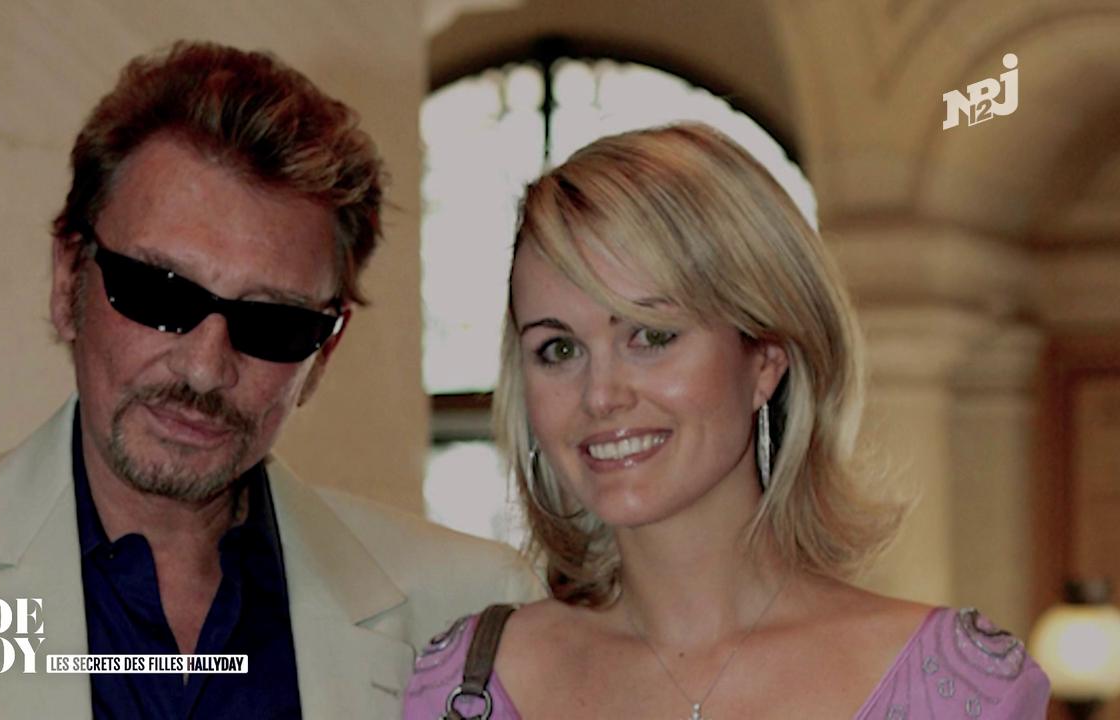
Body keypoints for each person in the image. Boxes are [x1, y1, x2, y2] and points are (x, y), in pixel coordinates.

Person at [0, 41, 539, 719]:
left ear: (324, 353)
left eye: (273, 322)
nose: (205, 369)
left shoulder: (470, 615)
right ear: (67, 280)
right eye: (160, 292)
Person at [404, 124, 1049, 719]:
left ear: (765, 360)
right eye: (559, 349)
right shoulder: (468, 685)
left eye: (651, 335)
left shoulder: (960, 692)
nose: (600, 395)